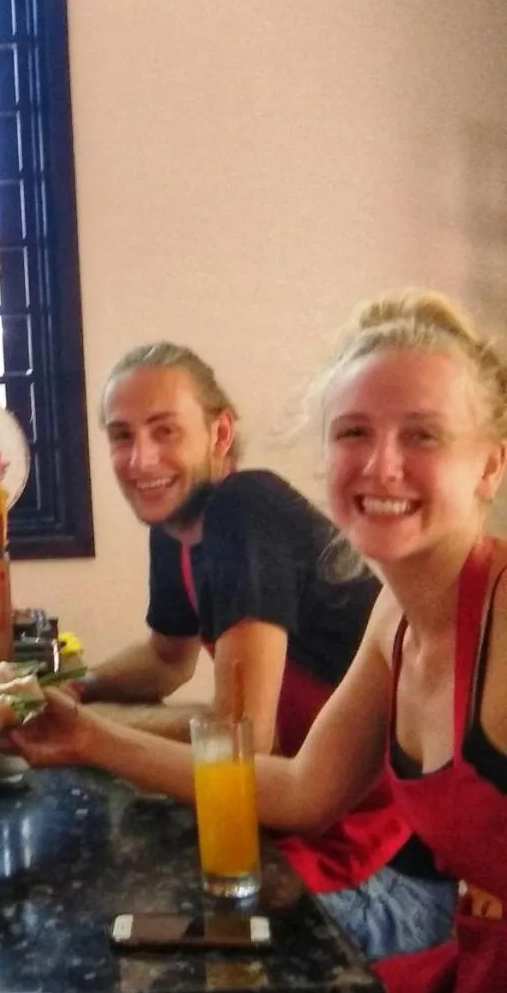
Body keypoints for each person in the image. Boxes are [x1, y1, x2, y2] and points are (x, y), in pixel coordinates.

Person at [7, 291, 507, 993]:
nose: (381, 466)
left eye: (422, 436)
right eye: (354, 433)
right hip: (476, 964)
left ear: (490, 465)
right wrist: (85, 733)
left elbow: (248, 730)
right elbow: (303, 790)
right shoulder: (398, 616)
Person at [76, 342, 454, 959]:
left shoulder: (243, 506)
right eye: (121, 436)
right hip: (300, 822)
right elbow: (166, 659)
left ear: (220, 432)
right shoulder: (176, 527)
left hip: (384, 876)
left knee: (124, 932)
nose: (140, 459)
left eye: (165, 430)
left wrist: (88, 733)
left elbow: (242, 737)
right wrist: (75, 688)